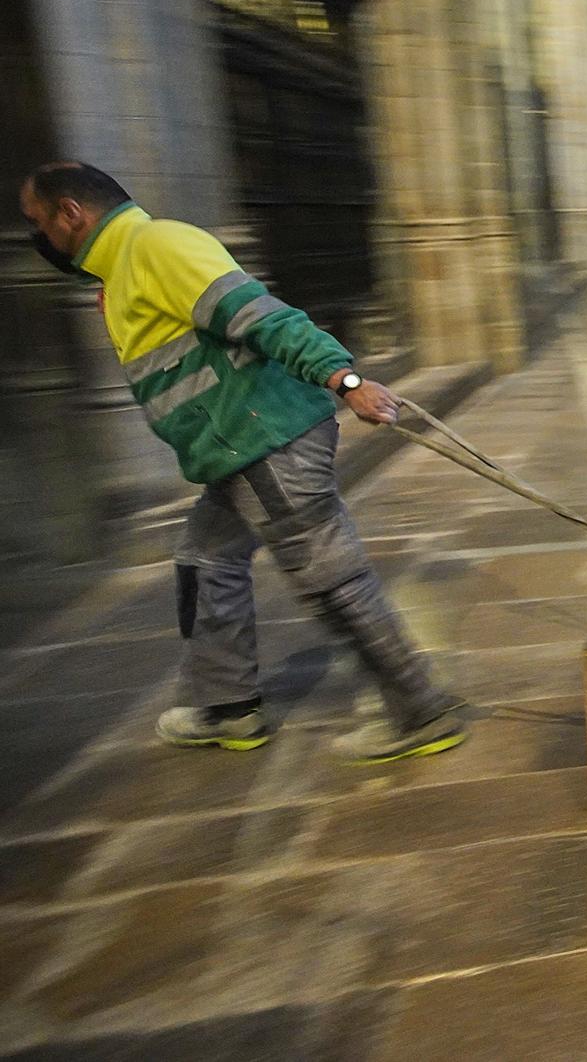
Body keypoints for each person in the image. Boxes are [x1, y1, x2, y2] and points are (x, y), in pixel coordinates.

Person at [20, 161, 465, 762]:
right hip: (234, 451)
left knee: (328, 580)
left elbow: (263, 317)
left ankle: (421, 710)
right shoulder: (123, 267)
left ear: (70, 214)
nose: (37, 239)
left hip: (266, 444)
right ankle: (229, 706)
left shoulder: (156, 246)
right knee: (206, 563)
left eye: (38, 223)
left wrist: (345, 377)